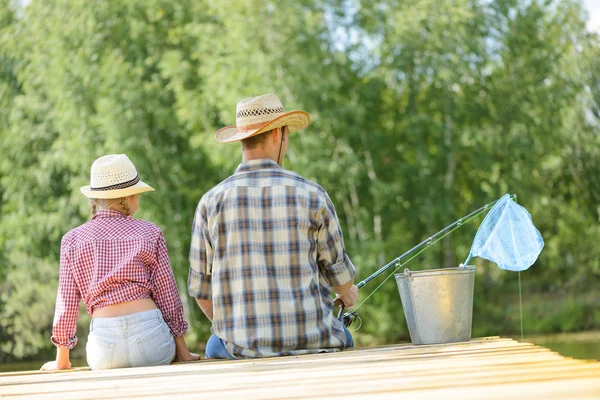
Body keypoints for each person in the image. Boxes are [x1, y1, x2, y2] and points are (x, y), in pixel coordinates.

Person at [188, 93, 359, 359]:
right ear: (278, 134)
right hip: (315, 341)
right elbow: (340, 278)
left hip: (240, 349)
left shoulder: (210, 202)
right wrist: (348, 293)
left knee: (214, 344)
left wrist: (235, 330)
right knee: (345, 336)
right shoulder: (313, 195)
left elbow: (201, 291)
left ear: (242, 140)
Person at [41, 154, 200, 371]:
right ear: (127, 198)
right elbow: (167, 295)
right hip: (151, 339)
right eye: (137, 195)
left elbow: (66, 304)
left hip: (104, 350)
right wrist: (183, 352)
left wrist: (62, 361)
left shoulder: (72, 240)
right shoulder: (150, 232)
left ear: (95, 199)